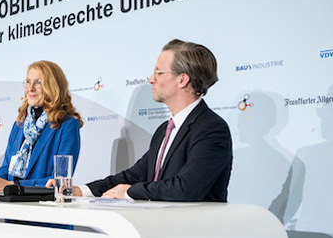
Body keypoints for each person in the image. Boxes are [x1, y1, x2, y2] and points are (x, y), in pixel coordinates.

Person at [70, 39, 232, 202]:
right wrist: (82, 191)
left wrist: (130, 192)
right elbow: (134, 175)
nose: (151, 80)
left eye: (159, 73)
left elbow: (186, 188)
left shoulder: (211, 129)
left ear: (182, 80)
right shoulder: (165, 129)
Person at [0, 60, 82, 192]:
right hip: (10, 206)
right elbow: (6, 169)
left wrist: (10, 186)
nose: (31, 88)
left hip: (44, 208)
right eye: (28, 82)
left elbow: (58, 182)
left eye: (38, 82)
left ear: (53, 87)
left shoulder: (67, 126)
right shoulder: (19, 125)